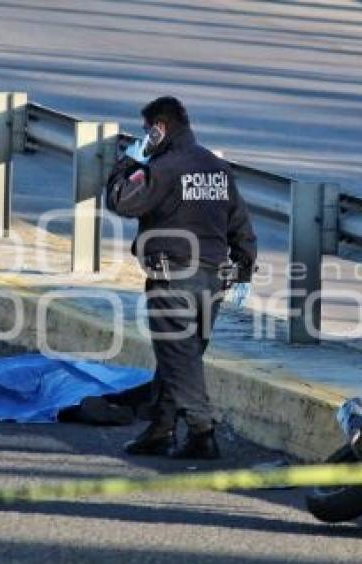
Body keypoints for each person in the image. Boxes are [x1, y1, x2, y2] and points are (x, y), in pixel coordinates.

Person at [106, 96, 257, 459]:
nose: (145, 137)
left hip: (174, 275)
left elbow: (121, 201)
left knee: (180, 356)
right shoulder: (217, 168)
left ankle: (203, 433)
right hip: (214, 278)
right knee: (181, 355)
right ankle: (160, 429)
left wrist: (130, 160)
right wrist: (244, 269)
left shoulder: (165, 168)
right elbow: (240, 224)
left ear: (159, 128)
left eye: (147, 131)